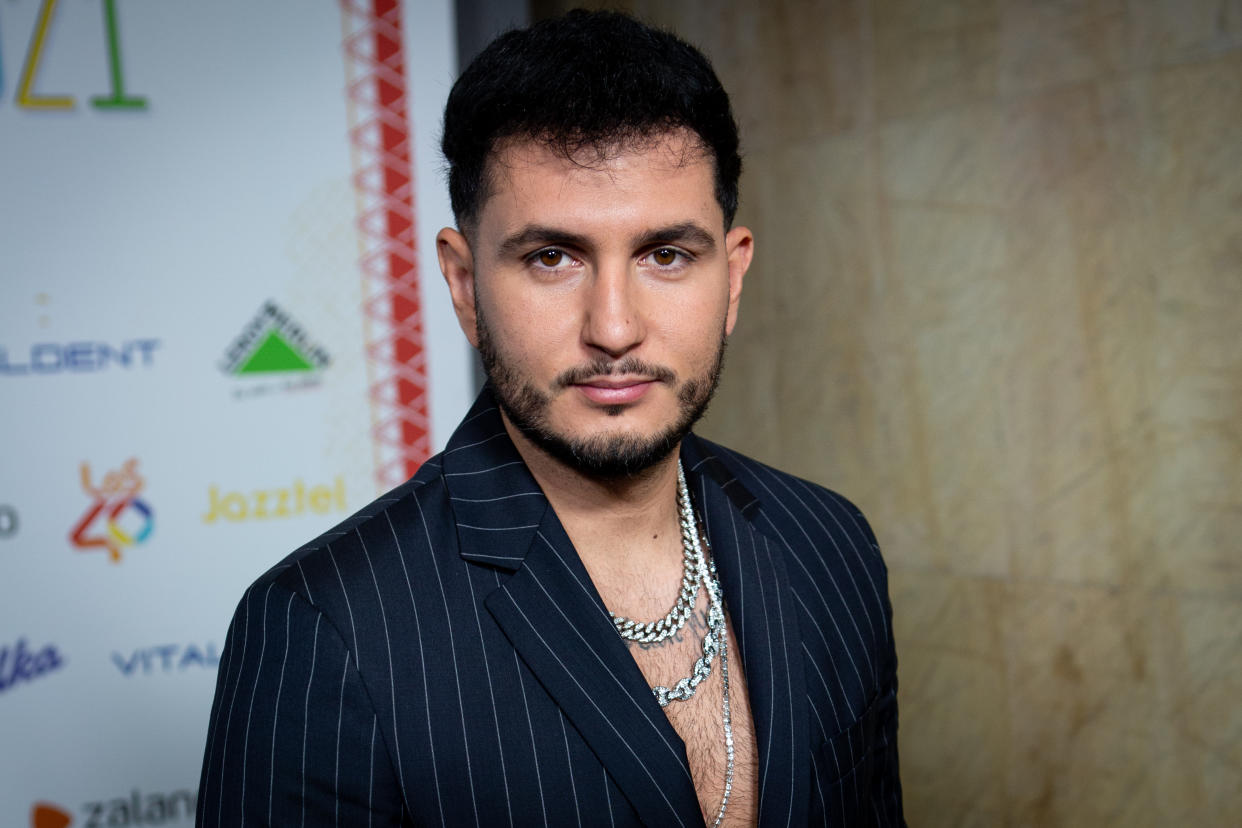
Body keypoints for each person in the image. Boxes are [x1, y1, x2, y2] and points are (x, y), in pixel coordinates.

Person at [198, 10, 903, 827]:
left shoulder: (830, 543)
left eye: (666, 255)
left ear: (733, 276)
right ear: (464, 286)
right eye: (551, 258)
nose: (613, 327)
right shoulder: (327, 629)